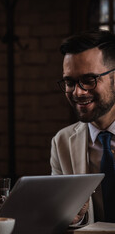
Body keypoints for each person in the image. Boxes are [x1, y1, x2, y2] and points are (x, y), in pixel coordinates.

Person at [51, 30, 115, 224]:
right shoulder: (61, 141)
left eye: (89, 80)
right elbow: (65, 216)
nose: (78, 92)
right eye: (70, 82)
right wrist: (70, 217)